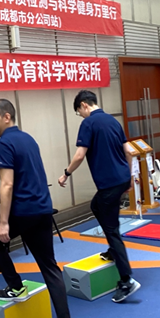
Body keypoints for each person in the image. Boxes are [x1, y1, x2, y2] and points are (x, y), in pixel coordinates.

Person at [0, 99, 79, 318]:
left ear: (6, 117)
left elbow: (7, 185)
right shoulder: (28, 139)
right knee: (49, 266)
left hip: (22, 211)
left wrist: (4, 222)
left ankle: (16, 287)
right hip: (42, 209)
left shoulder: (4, 144)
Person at [58, 90, 140, 303]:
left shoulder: (89, 123)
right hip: (121, 178)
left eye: (79, 112)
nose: (81, 115)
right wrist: (130, 178)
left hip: (109, 183)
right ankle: (113, 250)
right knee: (96, 206)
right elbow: (129, 151)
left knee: (111, 230)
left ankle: (126, 280)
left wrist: (66, 173)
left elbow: (79, 155)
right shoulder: (113, 121)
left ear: (84, 105)